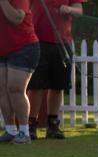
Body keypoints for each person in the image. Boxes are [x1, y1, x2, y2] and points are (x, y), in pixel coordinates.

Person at [27, 0, 85, 140]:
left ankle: (53, 125)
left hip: (62, 42)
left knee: (58, 85)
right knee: (36, 85)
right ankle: (31, 125)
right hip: (36, 40)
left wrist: (68, 10)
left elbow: (79, 10)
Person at [0, 0, 40, 144]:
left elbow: (17, 18)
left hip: (24, 48)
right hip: (3, 48)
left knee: (15, 89)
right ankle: (10, 131)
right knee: (2, 90)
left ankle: (24, 132)